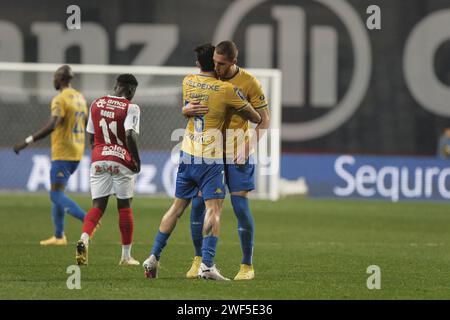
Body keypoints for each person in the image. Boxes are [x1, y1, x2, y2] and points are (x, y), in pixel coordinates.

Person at [142, 44, 262, 280]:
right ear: (213, 62)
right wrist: (235, 105)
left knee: (177, 208)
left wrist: (187, 110)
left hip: (188, 153)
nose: (218, 66)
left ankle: (153, 256)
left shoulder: (188, 81)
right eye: (216, 62)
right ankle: (205, 263)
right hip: (211, 158)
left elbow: (192, 108)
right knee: (213, 210)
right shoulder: (226, 89)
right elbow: (256, 117)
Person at [183, 41, 270, 280]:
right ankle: (199, 261)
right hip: (208, 153)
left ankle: (246, 266)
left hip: (236, 152)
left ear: (233, 62)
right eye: (214, 62)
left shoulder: (249, 82)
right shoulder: (209, 80)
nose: (216, 67)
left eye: (221, 64)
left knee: (241, 207)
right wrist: (186, 109)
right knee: (199, 205)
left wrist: (248, 146)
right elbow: (192, 108)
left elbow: (264, 119)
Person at [13, 65, 87, 245]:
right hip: (77, 151)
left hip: (63, 153)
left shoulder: (60, 99)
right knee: (58, 193)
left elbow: (54, 124)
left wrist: (27, 141)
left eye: (55, 77)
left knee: (55, 195)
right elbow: (84, 122)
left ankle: (88, 220)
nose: (53, 80)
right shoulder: (80, 97)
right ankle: (59, 236)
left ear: (61, 78)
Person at [75, 74, 141, 266]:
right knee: (125, 206)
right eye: (133, 91)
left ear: (115, 86)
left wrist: (98, 154)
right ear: (129, 89)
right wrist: (136, 160)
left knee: (97, 206)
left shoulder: (96, 103)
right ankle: (126, 256)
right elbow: (130, 135)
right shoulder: (131, 107)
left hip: (98, 158)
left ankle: (84, 239)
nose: (133, 95)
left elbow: (91, 135)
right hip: (121, 160)